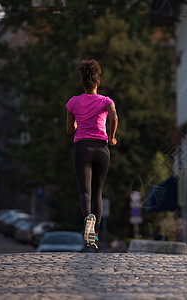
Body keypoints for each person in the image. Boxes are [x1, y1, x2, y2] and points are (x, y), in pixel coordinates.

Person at [66, 59, 118, 249]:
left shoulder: (73, 102)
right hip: (102, 149)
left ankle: (88, 217)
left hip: (82, 149)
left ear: (82, 83)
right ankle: (94, 234)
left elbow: (70, 130)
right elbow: (114, 117)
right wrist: (111, 137)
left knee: (85, 192)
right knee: (98, 193)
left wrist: (77, 123)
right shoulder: (106, 101)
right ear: (98, 82)